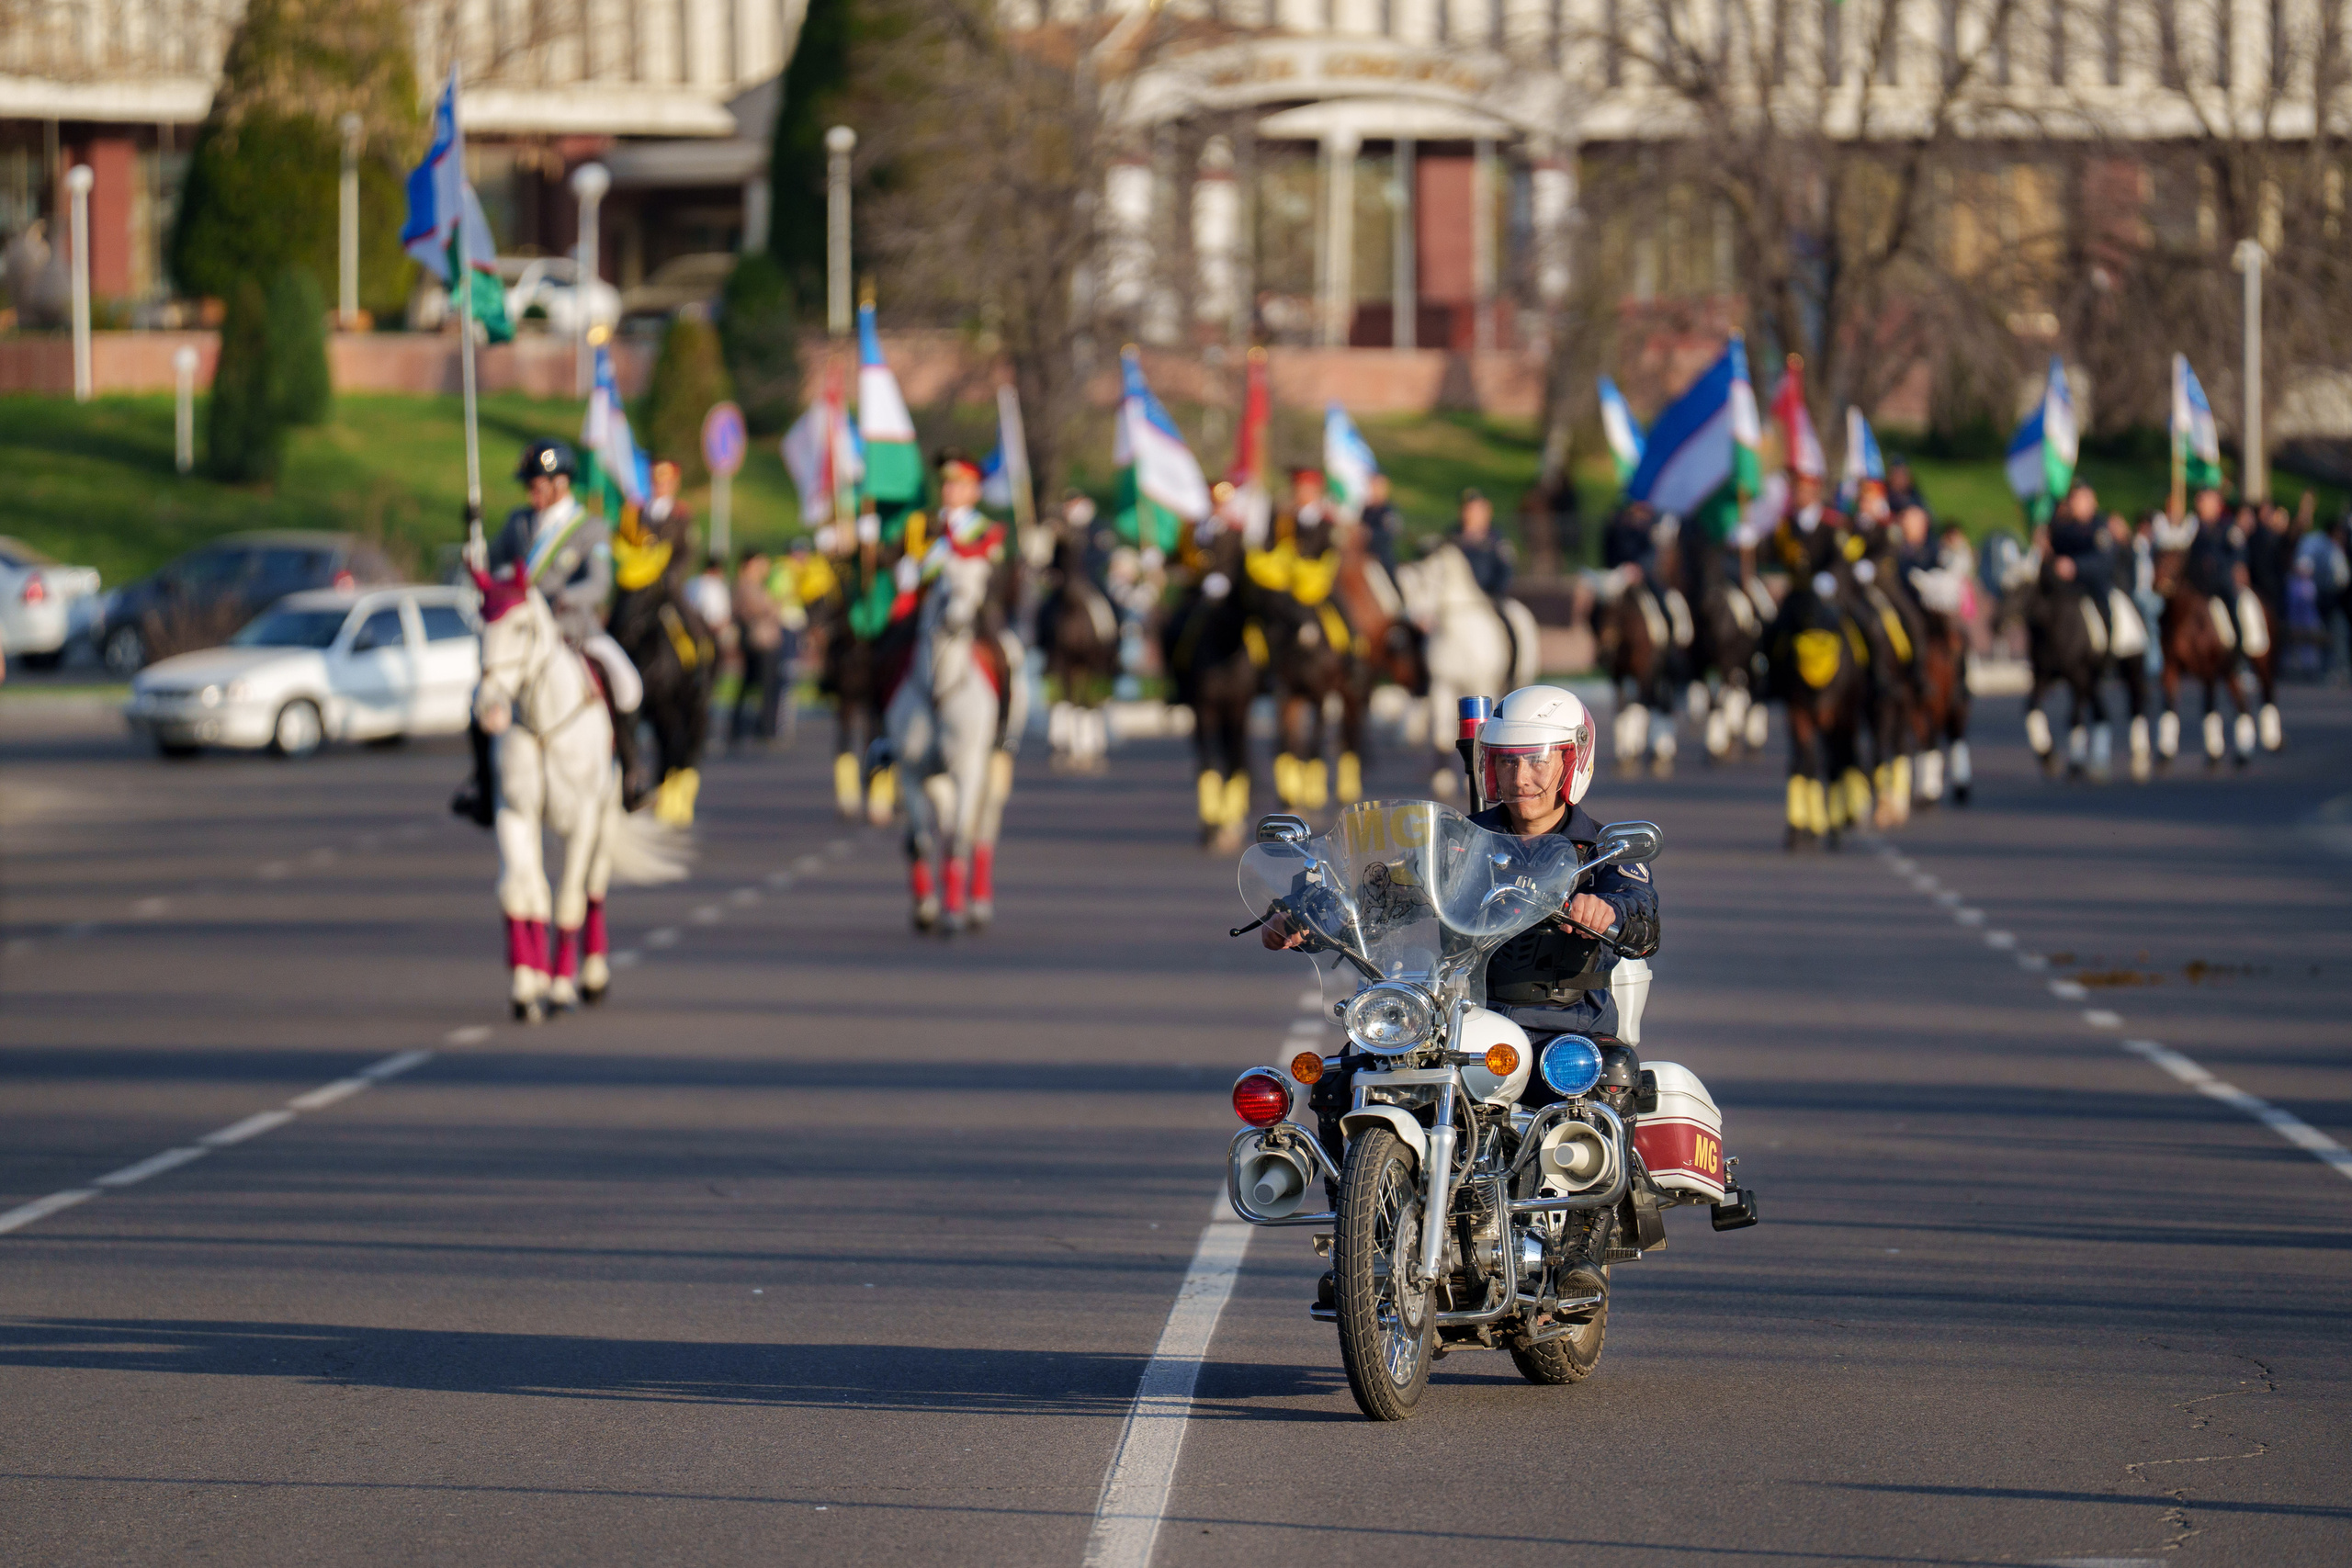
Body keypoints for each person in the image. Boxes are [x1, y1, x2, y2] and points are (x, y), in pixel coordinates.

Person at [452, 439, 649, 824]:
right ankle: (482, 784)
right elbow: (488, 570)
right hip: (526, 637)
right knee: (481, 697)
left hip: (573, 631)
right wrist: (472, 530)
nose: (531, 492)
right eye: (528, 485)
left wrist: (561, 597)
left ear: (561, 484)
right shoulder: (518, 523)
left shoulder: (591, 528)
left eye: (537, 484)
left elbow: (598, 584)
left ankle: (631, 774)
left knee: (627, 685)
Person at [731, 549, 786, 749]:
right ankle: (761, 728)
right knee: (763, 686)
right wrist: (775, 605)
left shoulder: (756, 585)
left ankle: (756, 727)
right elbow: (757, 609)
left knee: (759, 685)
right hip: (759, 642)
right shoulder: (745, 585)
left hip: (765, 640)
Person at [1452, 487, 1515, 599]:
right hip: (1457, 599)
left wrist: (1495, 595)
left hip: (1488, 598)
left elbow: (1506, 571)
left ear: (1487, 511)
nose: (1469, 514)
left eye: (1475, 510)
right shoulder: (1452, 538)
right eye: (1467, 509)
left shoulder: (1497, 541)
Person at [1358, 471, 1404, 581]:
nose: (1375, 490)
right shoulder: (1365, 510)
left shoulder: (1388, 511)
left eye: (1379, 486)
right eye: (1373, 486)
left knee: (1391, 576)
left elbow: (1390, 533)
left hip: (1381, 556)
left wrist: (1370, 534)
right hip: (1363, 554)